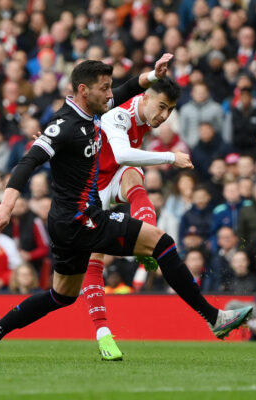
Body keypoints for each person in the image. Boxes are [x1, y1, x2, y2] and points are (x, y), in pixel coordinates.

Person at [0, 59, 252, 363]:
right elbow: (27, 163)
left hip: (65, 223)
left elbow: (129, 88)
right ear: (83, 90)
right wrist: (7, 204)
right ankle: (213, 318)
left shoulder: (92, 108)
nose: (110, 95)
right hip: (83, 220)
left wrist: (153, 75)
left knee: (61, 296)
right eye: (104, 89)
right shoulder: (64, 126)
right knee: (162, 243)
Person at [81, 76, 193, 358]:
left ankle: (149, 242)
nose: (164, 115)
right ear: (145, 98)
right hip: (89, 190)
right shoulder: (119, 113)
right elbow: (120, 153)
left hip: (112, 179)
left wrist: (155, 73)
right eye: (162, 107)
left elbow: (140, 82)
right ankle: (104, 335)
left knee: (135, 177)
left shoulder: (146, 115)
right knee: (89, 264)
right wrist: (170, 157)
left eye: (170, 110)